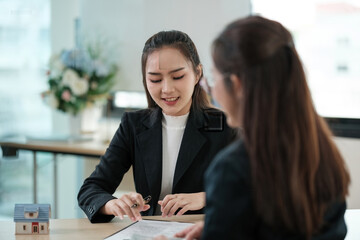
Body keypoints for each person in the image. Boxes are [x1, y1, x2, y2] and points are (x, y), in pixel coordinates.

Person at [157, 16, 351, 240]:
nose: (212, 89)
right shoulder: (323, 152)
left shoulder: (233, 168)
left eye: (214, 78)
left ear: (237, 85)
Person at [77, 30, 235, 223]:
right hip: (149, 232)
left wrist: (204, 197)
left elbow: (254, 191)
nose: (167, 89)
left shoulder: (226, 126)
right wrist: (112, 204)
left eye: (177, 77)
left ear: (197, 74)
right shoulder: (133, 125)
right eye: (155, 79)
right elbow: (91, 189)